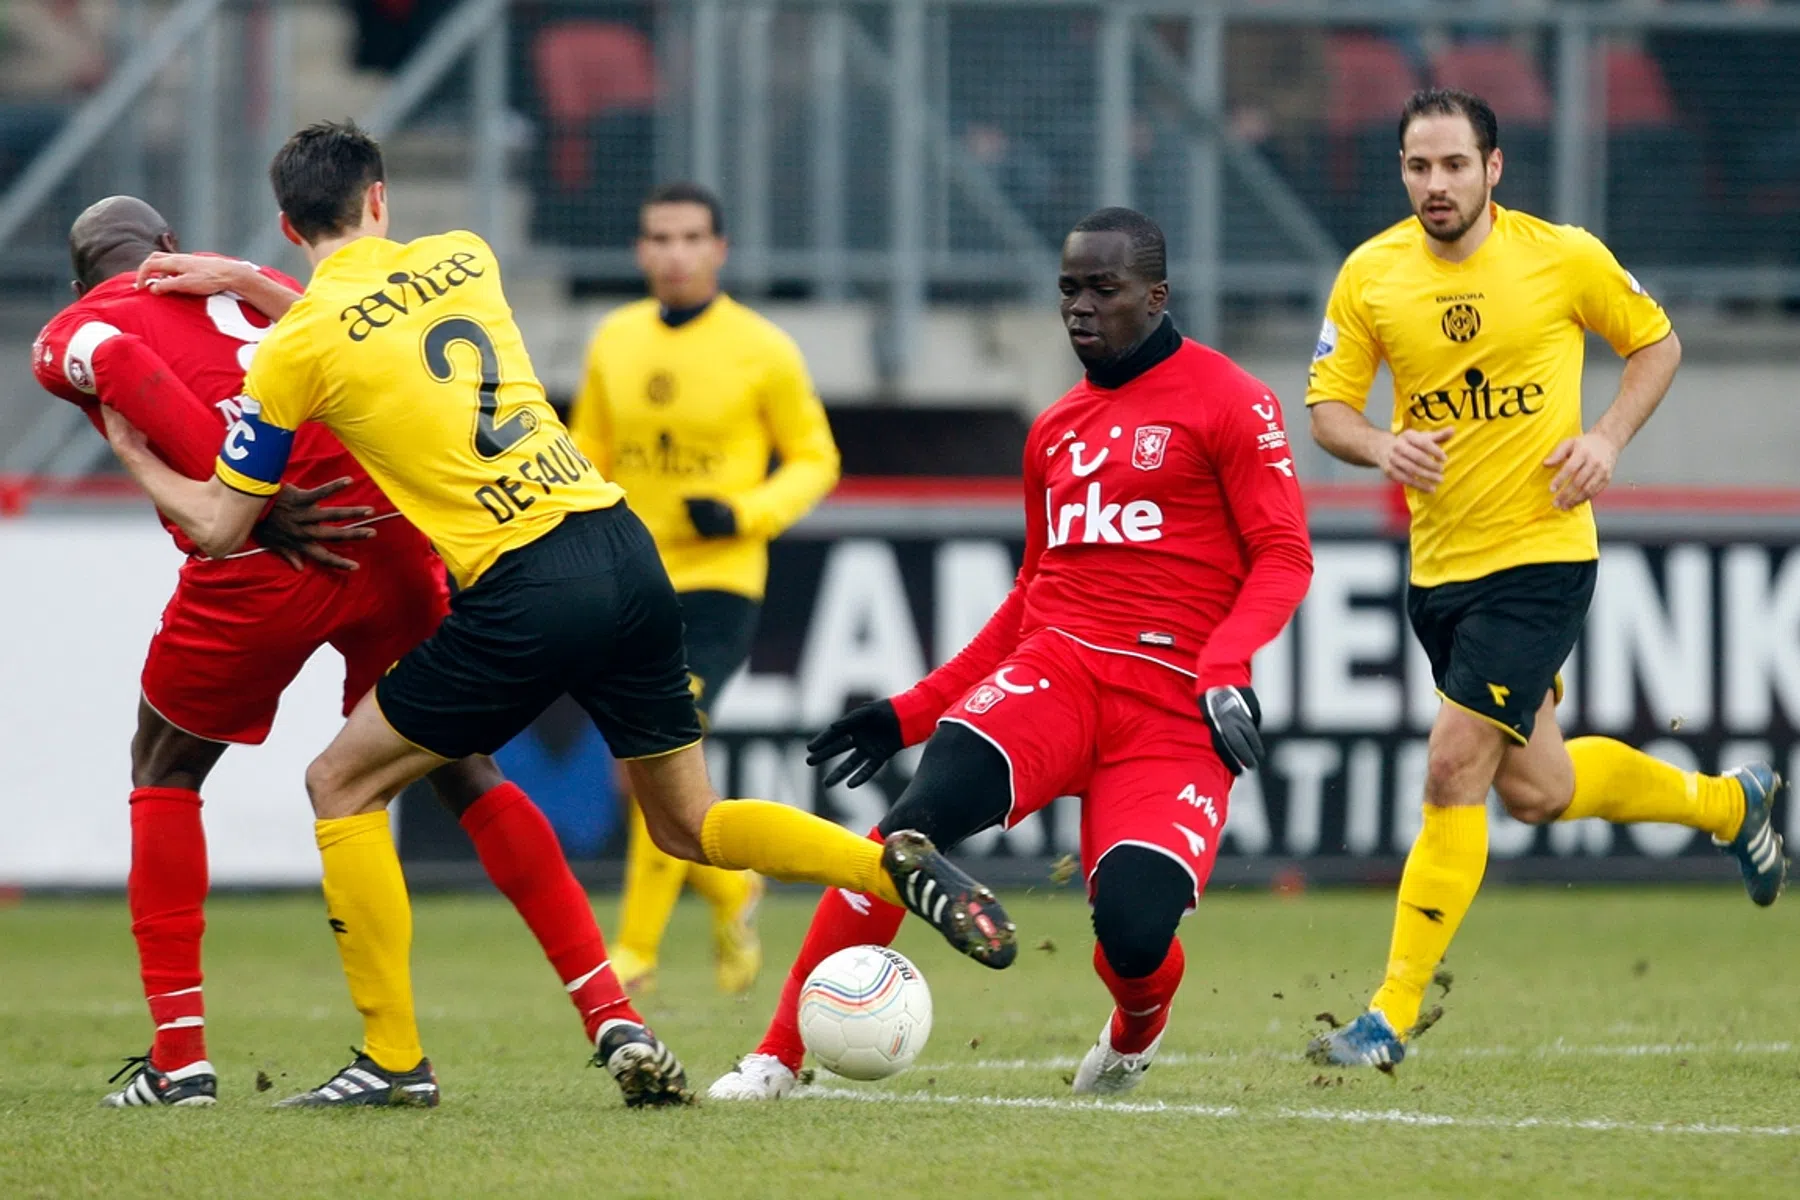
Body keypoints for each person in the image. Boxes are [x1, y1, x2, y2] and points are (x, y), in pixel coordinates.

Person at [98, 121, 1016, 1109]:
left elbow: (224, 526)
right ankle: (888, 868)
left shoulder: (294, 357)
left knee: (341, 783)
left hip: (526, 583)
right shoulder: (464, 258)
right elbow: (374, 325)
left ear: (288, 223)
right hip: (624, 546)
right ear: (380, 200)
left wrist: (132, 445)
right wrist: (257, 286)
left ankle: (394, 1061)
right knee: (690, 821)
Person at [34, 196, 683, 1110]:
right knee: (461, 765)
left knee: (166, 768)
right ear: (170, 248)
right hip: (381, 534)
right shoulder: (246, 292)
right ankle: (610, 1012)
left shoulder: (76, 323)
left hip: (267, 552)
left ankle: (180, 1061)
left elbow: (120, 362)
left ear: (78, 277)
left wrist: (241, 490)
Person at [708, 207, 1314, 1101]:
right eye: (1069, 288)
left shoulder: (1233, 401)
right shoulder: (1055, 429)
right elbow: (1032, 597)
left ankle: (1135, 1026)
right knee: (906, 836)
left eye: (1103, 289)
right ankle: (775, 1056)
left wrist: (1225, 670)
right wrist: (907, 712)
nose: (1080, 307)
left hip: (1172, 707)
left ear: (1157, 294)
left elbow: (1284, 556)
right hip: (1059, 675)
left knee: (1137, 935)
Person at [1304, 89, 1787, 1070]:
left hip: (1542, 558)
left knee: (1451, 769)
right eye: (1416, 167)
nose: (1434, 185)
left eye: (1451, 166)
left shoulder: (1562, 255)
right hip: (1440, 572)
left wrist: (1605, 439)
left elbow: (1656, 342)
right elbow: (1328, 408)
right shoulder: (1372, 275)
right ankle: (1732, 806)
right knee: (1538, 789)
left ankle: (1388, 1018)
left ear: (1494, 168)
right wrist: (1382, 446)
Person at [569, 181, 841, 998]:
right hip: (629, 578)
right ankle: (732, 885)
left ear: (719, 250)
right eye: (660, 238)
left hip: (719, 585)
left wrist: (746, 513)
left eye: (691, 238)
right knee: (639, 774)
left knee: (662, 743)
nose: (675, 253)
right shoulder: (614, 339)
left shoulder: (763, 348)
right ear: (639, 250)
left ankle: (636, 949)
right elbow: (587, 455)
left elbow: (815, 457)